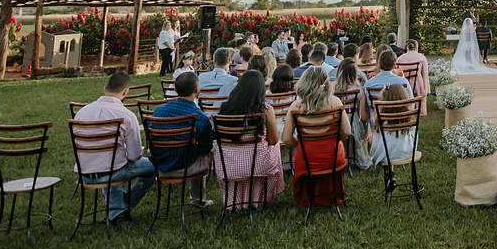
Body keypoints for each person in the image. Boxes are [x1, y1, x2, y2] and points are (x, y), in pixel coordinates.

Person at [72, 71, 155, 224]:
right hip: (112, 172)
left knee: (113, 159)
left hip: (84, 173)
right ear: (125, 92)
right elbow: (134, 156)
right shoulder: (127, 115)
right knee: (154, 166)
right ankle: (121, 209)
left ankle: (118, 210)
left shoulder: (81, 113)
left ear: (105, 89)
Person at [211, 70, 284, 210]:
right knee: (275, 147)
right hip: (257, 165)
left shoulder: (225, 109)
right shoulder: (265, 110)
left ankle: (236, 201)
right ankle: (259, 200)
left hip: (227, 165)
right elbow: (273, 141)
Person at [282, 66, 351, 208]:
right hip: (332, 157)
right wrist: (334, 138)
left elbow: (287, 139)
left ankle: (310, 197)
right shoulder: (335, 103)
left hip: (306, 158)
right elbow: (347, 132)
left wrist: (300, 144)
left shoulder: (295, 106)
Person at [150, 70, 214, 208]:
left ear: (175, 89)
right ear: (196, 90)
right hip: (186, 167)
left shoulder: (158, 111)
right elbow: (205, 149)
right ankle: (198, 200)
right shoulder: (201, 118)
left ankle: (198, 199)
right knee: (211, 149)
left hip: (159, 166)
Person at [368, 83, 417, 167]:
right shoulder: (407, 119)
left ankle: (388, 171)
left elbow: (375, 140)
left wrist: (371, 136)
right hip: (407, 152)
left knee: (376, 138)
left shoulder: (381, 119)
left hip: (384, 155)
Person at [396, 40, 431, 115]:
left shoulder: (400, 58)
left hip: (404, 85)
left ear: (407, 48)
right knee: (420, 79)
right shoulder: (422, 58)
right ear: (417, 48)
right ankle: (420, 111)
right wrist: (426, 90)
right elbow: (425, 75)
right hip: (417, 86)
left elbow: (397, 72)